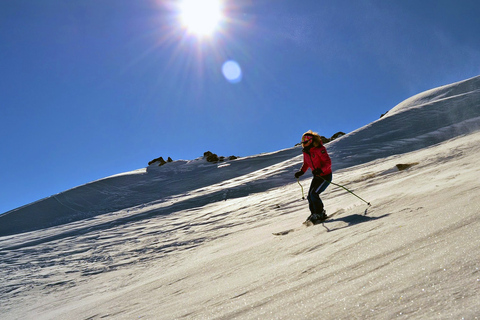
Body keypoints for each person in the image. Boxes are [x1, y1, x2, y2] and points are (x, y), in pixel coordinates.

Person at [294, 130, 333, 223]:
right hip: (317, 177)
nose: (304, 144)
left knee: (314, 194)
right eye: (303, 142)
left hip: (325, 176)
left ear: (311, 141)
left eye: (306, 142)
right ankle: (314, 213)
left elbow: (328, 162)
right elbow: (306, 163)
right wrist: (301, 172)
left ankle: (320, 213)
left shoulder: (319, 149)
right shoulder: (306, 152)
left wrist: (320, 170)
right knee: (309, 196)